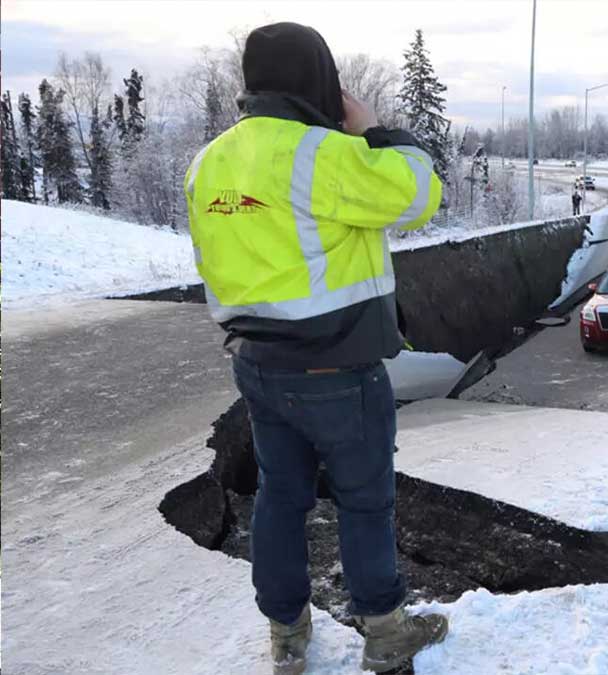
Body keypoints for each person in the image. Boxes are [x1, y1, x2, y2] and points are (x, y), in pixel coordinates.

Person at [183, 22, 448, 674]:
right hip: (337, 368)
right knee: (364, 502)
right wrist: (374, 126)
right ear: (319, 79)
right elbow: (420, 194)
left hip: (257, 365)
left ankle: (287, 637)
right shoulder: (321, 155)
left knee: (280, 496)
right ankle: (384, 633)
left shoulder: (209, 161)